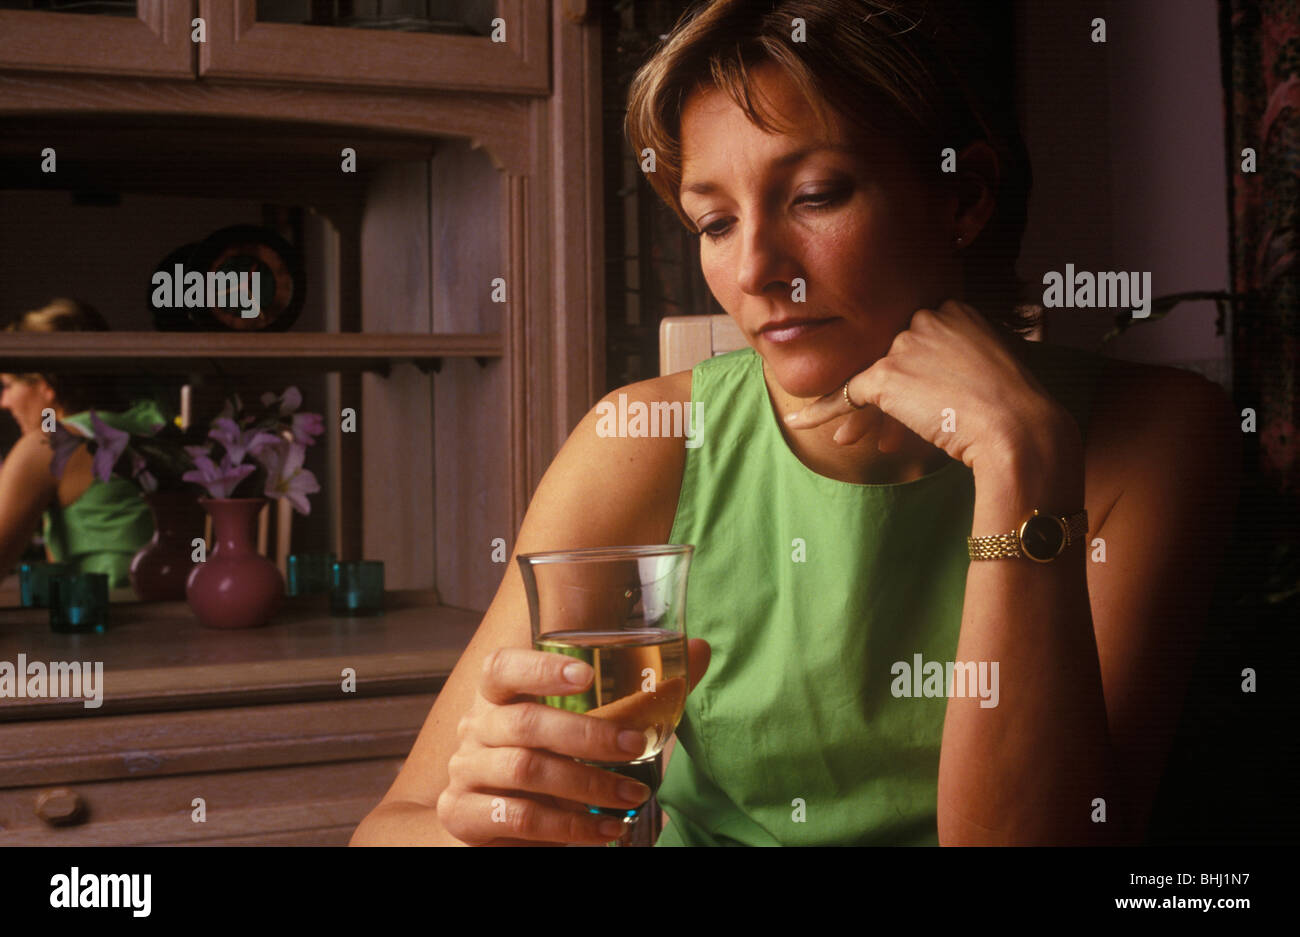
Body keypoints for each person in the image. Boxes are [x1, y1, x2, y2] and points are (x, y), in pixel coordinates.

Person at [351, 0, 1238, 846]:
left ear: (963, 197)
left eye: (815, 196)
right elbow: (391, 828)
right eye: (715, 221)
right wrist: (497, 826)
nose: (758, 269)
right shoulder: (642, 444)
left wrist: (1020, 460)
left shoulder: (1156, 435)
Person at [0, 299, 159, 589]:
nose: (4, 402)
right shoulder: (142, 425)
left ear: (47, 384)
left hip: (107, 620)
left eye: (9, 385)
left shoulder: (47, 445)